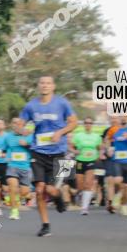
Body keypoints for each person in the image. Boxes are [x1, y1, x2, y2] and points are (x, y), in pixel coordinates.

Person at [19, 76, 78, 236]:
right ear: (38, 86)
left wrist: (60, 132)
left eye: (48, 83)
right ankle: (45, 225)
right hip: (38, 152)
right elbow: (19, 123)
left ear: (53, 86)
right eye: (42, 83)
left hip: (59, 153)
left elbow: (74, 123)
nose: (45, 86)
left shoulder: (62, 103)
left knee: (51, 190)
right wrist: (22, 129)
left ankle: (59, 199)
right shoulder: (31, 105)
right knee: (39, 190)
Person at [105, 115, 127, 216]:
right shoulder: (114, 129)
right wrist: (109, 149)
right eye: (121, 116)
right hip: (117, 160)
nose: (123, 118)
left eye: (125, 116)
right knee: (118, 180)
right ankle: (115, 199)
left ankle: (124, 206)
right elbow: (107, 139)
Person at [71, 116, 101, 214]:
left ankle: (84, 208)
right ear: (84, 124)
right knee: (80, 186)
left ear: (92, 125)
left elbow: (100, 148)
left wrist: (99, 155)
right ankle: (79, 194)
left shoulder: (96, 137)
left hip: (91, 161)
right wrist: (74, 151)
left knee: (88, 184)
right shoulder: (78, 135)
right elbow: (71, 146)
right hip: (80, 161)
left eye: (90, 123)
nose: (88, 124)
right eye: (86, 123)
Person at [6, 116, 33, 220]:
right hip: (12, 165)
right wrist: (6, 156)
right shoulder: (8, 137)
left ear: (22, 125)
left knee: (25, 192)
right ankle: (14, 211)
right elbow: (6, 148)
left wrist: (27, 144)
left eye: (19, 123)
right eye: (14, 123)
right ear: (12, 125)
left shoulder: (29, 136)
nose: (16, 125)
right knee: (13, 187)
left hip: (26, 167)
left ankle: (14, 199)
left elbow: (35, 148)